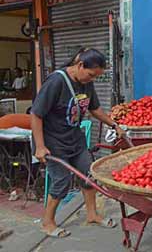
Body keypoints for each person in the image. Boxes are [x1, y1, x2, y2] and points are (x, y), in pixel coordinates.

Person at [31, 48, 126, 238]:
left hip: (75, 139)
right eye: (91, 74)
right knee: (62, 182)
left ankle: (92, 214)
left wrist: (114, 125)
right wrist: (40, 146)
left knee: (88, 174)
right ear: (80, 65)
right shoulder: (57, 81)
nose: (91, 79)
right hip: (53, 142)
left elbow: (95, 109)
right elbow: (36, 114)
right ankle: (47, 222)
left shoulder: (86, 83)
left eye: (95, 77)